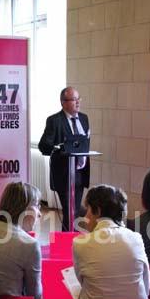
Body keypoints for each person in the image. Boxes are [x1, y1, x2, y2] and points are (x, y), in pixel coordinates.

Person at [65, 185, 150, 299]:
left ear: (97, 211)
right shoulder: (136, 238)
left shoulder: (80, 243)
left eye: (88, 210)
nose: (86, 217)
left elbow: (82, 281)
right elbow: (146, 285)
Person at [38, 87, 91, 231]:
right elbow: (44, 145)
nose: (78, 102)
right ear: (63, 102)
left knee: (74, 213)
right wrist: (61, 148)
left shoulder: (84, 119)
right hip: (64, 174)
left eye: (79, 98)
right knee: (69, 212)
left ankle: (71, 242)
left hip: (80, 173)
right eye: (74, 99)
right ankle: (66, 246)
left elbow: (84, 144)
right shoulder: (54, 121)